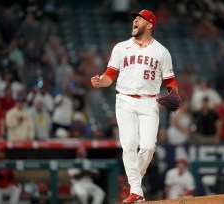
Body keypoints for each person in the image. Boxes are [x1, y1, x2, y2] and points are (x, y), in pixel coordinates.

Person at [91, 9, 179, 203]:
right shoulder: (121, 48)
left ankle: (133, 184)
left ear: (150, 25)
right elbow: (110, 75)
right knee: (129, 145)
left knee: (148, 147)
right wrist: (101, 80)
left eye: (140, 19)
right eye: (135, 19)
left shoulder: (161, 52)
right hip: (125, 100)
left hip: (150, 102)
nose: (135, 21)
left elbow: (170, 80)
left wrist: (174, 93)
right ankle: (137, 191)